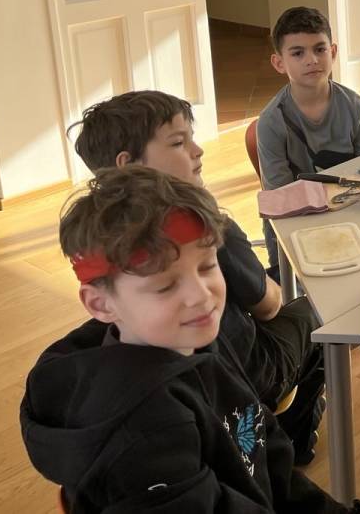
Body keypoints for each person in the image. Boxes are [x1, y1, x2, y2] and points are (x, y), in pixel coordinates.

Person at [20, 167, 360, 514]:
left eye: (206, 266)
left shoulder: (196, 344)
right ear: (101, 304)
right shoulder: (146, 434)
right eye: (165, 286)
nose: (201, 295)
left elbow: (268, 457)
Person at [71, 90, 326, 465]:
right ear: (128, 164)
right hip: (244, 376)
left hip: (193, 380)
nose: (198, 150)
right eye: (178, 142)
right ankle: (295, 438)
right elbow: (269, 307)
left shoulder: (99, 238)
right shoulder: (205, 226)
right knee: (315, 312)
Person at [257, 6, 360, 283]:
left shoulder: (356, 107)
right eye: (298, 53)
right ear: (279, 63)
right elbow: (281, 199)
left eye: (319, 49)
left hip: (352, 217)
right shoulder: (271, 122)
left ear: (332, 52)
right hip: (296, 229)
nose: (311, 60)